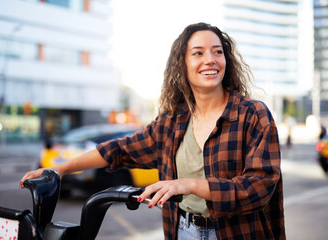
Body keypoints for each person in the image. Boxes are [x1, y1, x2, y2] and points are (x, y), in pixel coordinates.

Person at [20, 22, 285, 240]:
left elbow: (259, 187)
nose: (210, 60)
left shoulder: (253, 114)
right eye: (198, 53)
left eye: (217, 52)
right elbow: (118, 149)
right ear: (181, 64)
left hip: (240, 233)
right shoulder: (172, 121)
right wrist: (60, 170)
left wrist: (188, 185)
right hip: (183, 231)